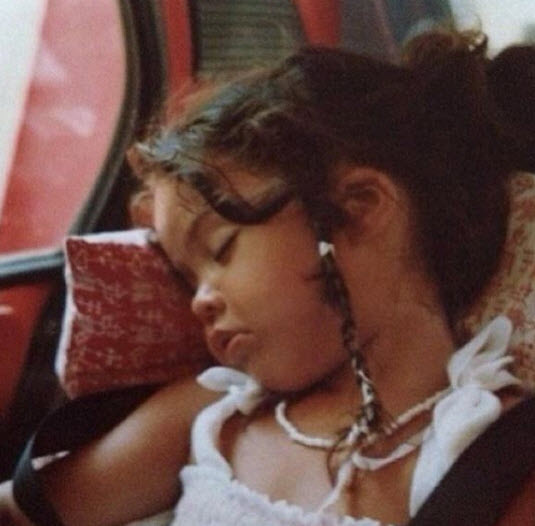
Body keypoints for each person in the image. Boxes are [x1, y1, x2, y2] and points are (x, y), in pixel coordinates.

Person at [1, 29, 535, 525]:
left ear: (360, 208)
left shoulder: (487, 451)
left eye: (222, 248)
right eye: (189, 280)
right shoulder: (217, 413)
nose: (199, 302)